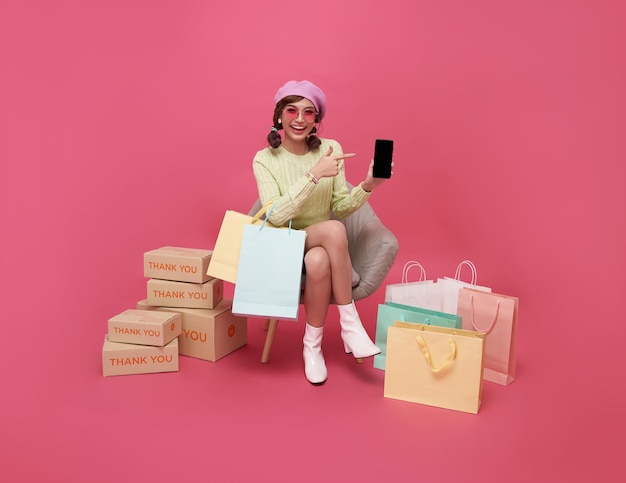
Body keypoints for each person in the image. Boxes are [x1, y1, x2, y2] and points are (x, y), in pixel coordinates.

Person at [252, 80, 389, 385]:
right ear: (279, 116)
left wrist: (367, 186)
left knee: (318, 261)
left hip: (318, 243)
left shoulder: (331, 150)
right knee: (333, 230)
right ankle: (350, 325)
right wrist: (313, 175)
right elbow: (275, 215)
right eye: (291, 110)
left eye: (308, 113)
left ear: (317, 120)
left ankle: (311, 348)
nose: (299, 119)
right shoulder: (264, 159)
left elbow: (340, 206)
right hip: (282, 240)